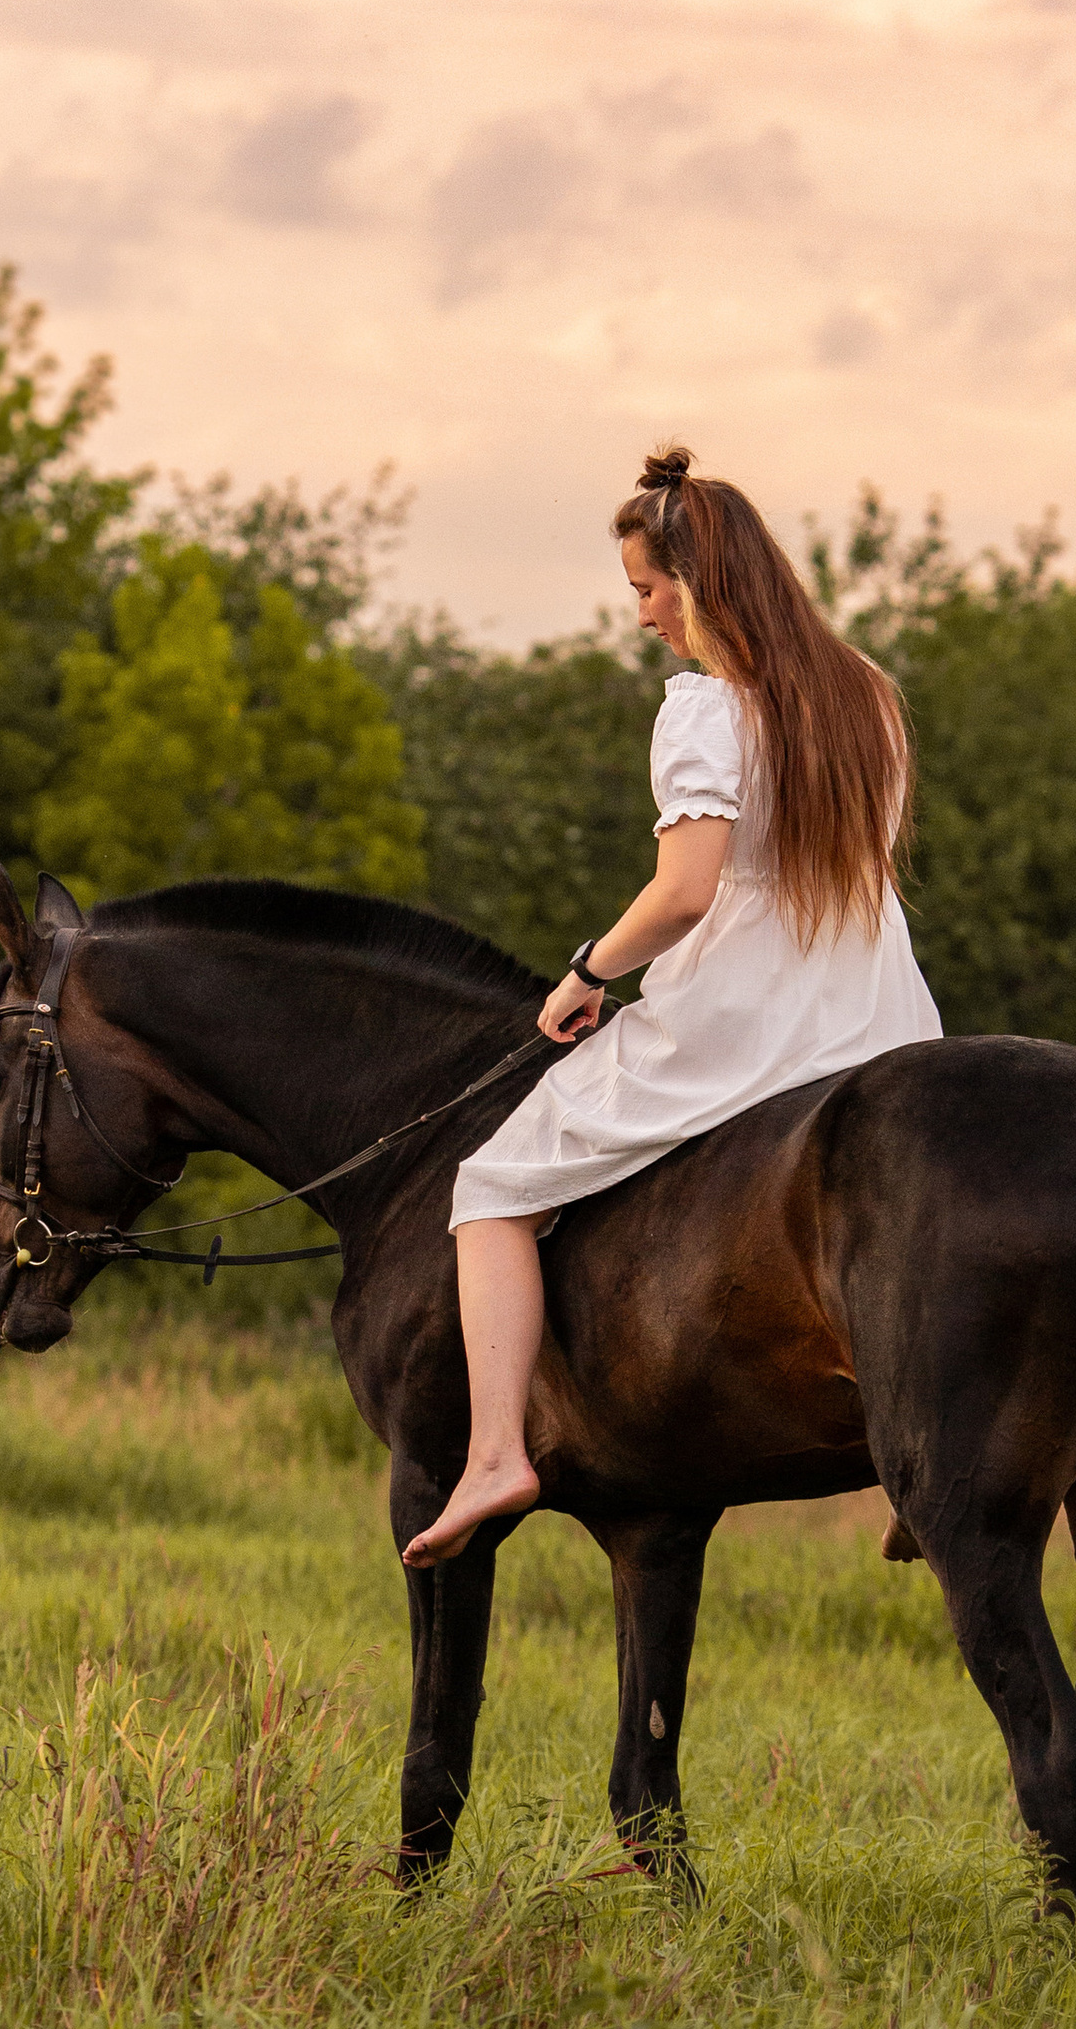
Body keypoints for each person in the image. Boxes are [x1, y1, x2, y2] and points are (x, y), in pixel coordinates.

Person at [402, 444, 942, 1568]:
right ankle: (922, 1443)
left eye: (648, 591)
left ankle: (497, 1450)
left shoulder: (705, 709)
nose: (643, 616)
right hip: (880, 1019)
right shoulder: (866, 693)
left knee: (491, 1189)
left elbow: (688, 891)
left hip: (751, 1017)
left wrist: (589, 970)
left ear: (701, 585)